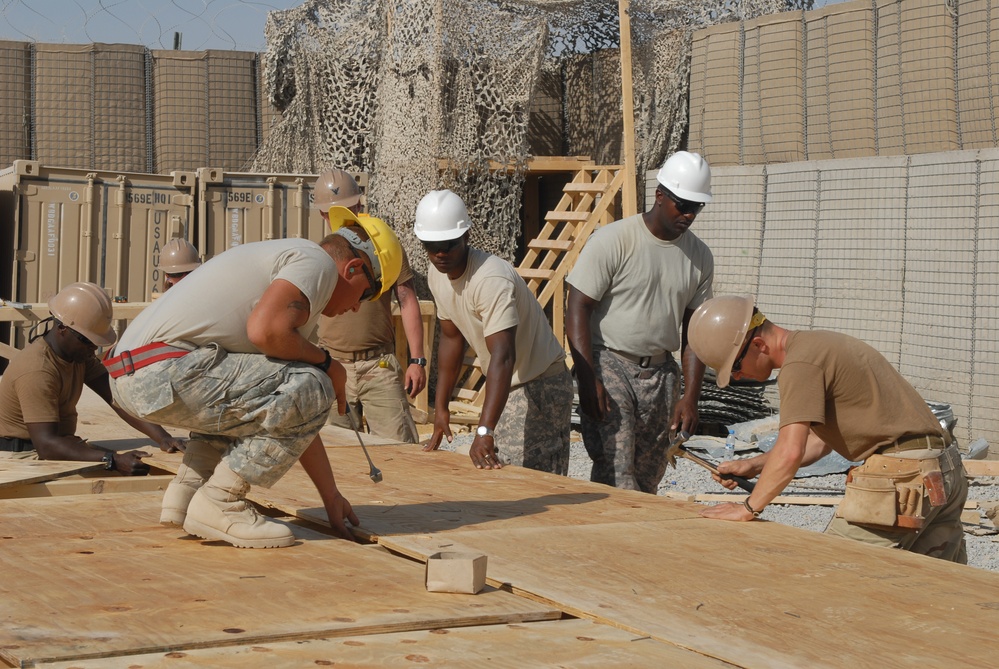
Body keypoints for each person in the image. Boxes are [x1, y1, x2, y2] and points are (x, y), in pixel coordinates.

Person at [104, 219, 403, 549]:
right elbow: (266, 333)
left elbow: (290, 411)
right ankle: (221, 501)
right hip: (163, 371)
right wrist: (330, 366)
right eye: (368, 292)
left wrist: (330, 495)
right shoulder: (316, 262)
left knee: (271, 394)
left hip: (131, 376)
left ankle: (188, 491)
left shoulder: (286, 267)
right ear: (354, 268)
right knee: (315, 384)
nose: (358, 306)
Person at [689, 295, 968, 563]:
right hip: (943, 468)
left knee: (831, 571)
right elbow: (819, 442)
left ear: (759, 344)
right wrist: (754, 464)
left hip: (902, 475)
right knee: (935, 590)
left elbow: (791, 452)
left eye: (735, 366)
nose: (737, 376)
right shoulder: (820, 345)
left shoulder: (800, 364)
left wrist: (748, 508)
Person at [566, 150, 714, 493]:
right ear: (660, 195)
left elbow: (696, 334)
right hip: (610, 362)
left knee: (648, 478)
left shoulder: (700, 256)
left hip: (661, 373)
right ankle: (607, 541)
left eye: (697, 207)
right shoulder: (613, 240)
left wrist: (690, 397)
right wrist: (588, 377)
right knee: (616, 471)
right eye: (683, 204)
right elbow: (577, 307)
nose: (689, 214)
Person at [415, 189, 572, 474]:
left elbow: (503, 356)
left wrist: (484, 429)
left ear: (466, 237)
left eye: (448, 245)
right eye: (430, 245)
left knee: (531, 480)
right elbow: (451, 339)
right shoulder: (436, 273)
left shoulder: (490, 279)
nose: (439, 254)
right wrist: (440, 408)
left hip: (539, 383)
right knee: (501, 476)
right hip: (507, 383)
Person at [0, 282, 186, 474]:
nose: (92, 349)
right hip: (25, 456)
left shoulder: (78, 355)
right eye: (87, 341)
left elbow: (116, 398)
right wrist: (112, 460)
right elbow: (46, 446)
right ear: (62, 328)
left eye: (96, 343)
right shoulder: (37, 370)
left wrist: (162, 437)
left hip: (57, 446)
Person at [312, 169, 425, 443]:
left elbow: (407, 299)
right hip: (331, 365)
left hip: (378, 365)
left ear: (360, 206)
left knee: (399, 451)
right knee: (337, 455)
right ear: (322, 215)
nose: (342, 218)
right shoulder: (318, 254)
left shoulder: (384, 246)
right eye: (333, 212)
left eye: (350, 209)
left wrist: (417, 360)